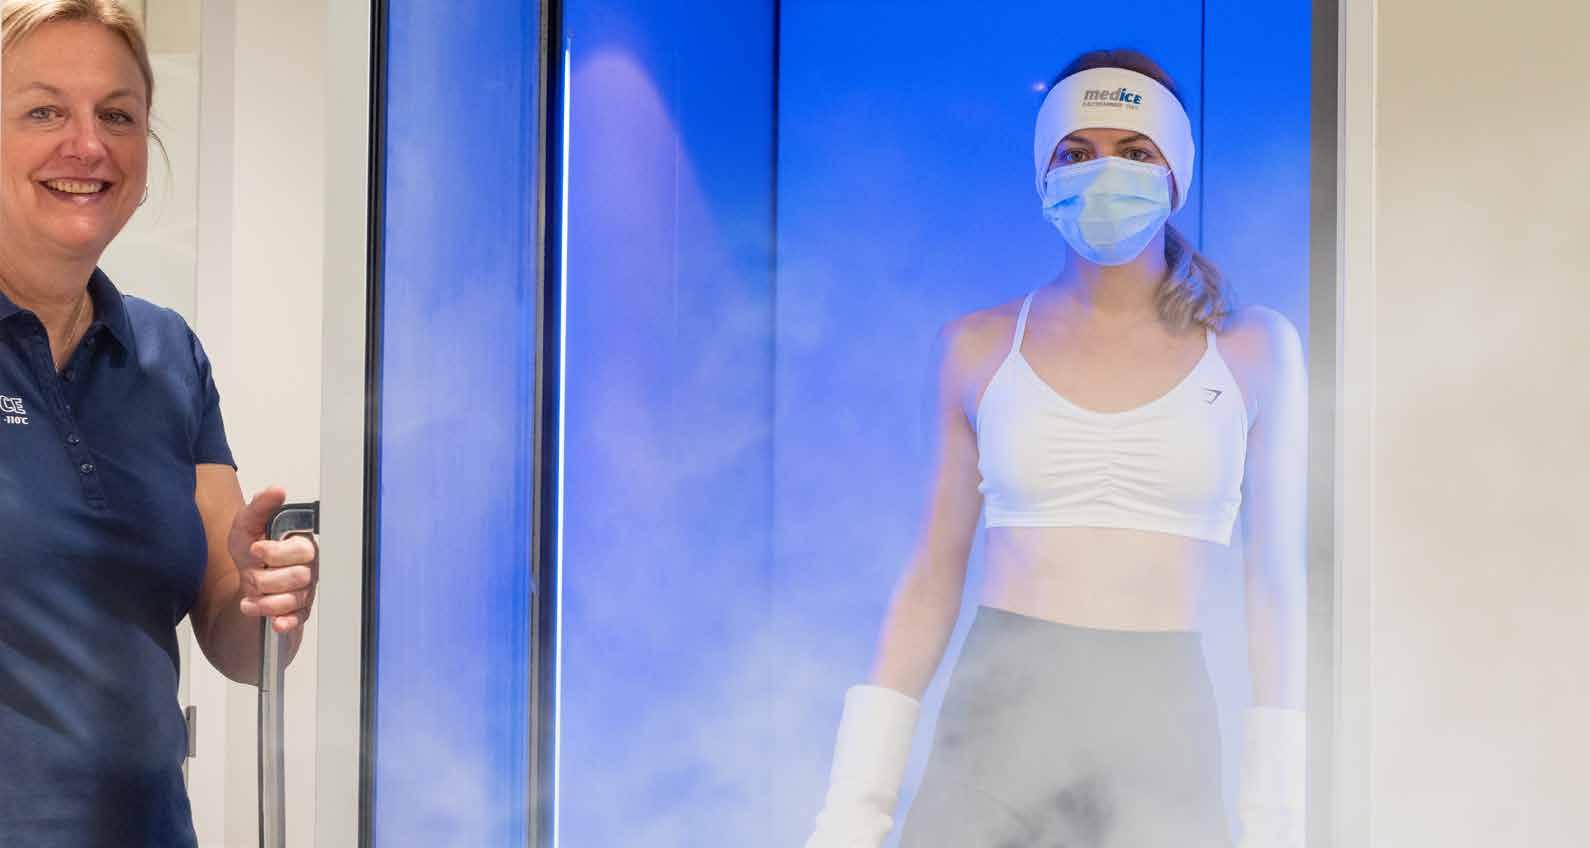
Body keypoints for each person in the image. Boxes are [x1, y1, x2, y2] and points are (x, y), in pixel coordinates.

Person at [804, 49, 1307, 848]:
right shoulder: (976, 348)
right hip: (999, 719)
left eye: (1134, 151)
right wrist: (851, 815)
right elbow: (930, 581)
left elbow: (1273, 589)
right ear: (1044, 173)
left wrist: (1279, 823)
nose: (1105, 174)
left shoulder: (1253, 350)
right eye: (1077, 153)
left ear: (1176, 172)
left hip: (1160, 724)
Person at [0, 2, 318, 844]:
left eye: (118, 115)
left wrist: (267, 595)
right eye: (44, 111)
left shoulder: (169, 354)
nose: (87, 145)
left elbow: (236, 639)